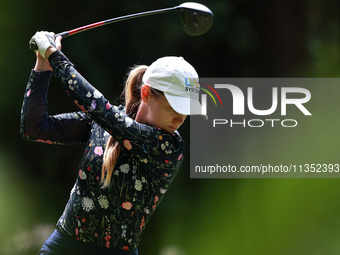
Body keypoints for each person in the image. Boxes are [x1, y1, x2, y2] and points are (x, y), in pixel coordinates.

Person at [21, 31, 204, 255]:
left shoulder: (168, 148)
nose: (181, 118)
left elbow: (98, 108)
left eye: (186, 111)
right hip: (64, 246)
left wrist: (54, 55)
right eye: (174, 107)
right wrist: (43, 67)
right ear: (146, 93)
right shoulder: (105, 122)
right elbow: (34, 128)